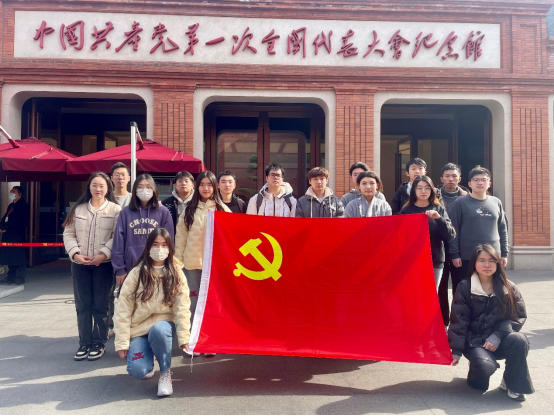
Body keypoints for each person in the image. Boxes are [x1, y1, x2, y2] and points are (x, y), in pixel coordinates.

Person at [449, 244, 534, 401]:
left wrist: (497, 335)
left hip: (499, 340)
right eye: (482, 260)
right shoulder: (465, 287)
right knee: (481, 377)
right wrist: (456, 350)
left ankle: (512, 384)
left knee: (519, 340)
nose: (487, 265)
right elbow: (459, 320)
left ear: (497, 263)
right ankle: (477, 365)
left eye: (491, 260)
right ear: (474, 263)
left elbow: (518, 316)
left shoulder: (508, 287)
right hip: (474, 342)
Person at [115, 228, 191, 397]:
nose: (159, 249)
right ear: (148, 247)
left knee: (159, 331)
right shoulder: (137, 273)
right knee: (138, 370)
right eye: (155, 244)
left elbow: (182, 307)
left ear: (169, 248)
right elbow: (123, 309)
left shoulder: (176, 272)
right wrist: (122, 342)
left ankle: (165, 372)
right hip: (139, 329)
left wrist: (184, 336)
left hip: (163, 326)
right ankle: (149, 356)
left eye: (164, 245)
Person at [62, 172, 121, 361]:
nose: (98, 189)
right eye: (94, 185)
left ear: (108, 188)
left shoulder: (115, 210)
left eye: (102, 186)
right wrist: (75, 254)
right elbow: (68, 234)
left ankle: (99, 342)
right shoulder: (78, 209)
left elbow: (117, 236)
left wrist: (103, 254)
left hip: (103, 265)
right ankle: (84, 343)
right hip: (79, 265)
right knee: (83, 305)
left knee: (101, 305)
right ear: (89, 187)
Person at [174, 171, 231, 357]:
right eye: (202, 185)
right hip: (192, 265)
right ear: (196, 187)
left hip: (215, 266)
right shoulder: (189, 211)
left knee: (212, 304)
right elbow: (180, 240)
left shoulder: (222, 210)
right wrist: (177, 264)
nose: (206, 188)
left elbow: (231, 239)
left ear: (215, 187)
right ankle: (194, 341)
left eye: (209, 185)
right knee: (192, 303)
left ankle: (210, 341)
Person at [112, 174, 174, 289]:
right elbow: (118, 242)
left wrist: (168, 265)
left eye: (148, 187)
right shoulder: (125, 212)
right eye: (140, 187)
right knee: (131, 298)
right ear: (135, 189)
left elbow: (170, 241)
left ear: (154, 189)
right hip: (131, 267)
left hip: (157, 266)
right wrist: (120, 269)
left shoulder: (163, 212)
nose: (144, 190)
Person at [449, 166, 508, 281]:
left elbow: (503, 229)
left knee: (494, 287)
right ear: (469, 184)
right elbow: (453, 229)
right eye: (476, 180)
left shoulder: (496, 202)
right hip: (467, 256)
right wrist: (455, 254)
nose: (480, 182)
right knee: (467, 287)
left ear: (489, 184)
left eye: (483, 180)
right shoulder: (460, 202)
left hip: (493, 255)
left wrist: (504, 253)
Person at [400, 175, 456, 290]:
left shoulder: (438, 209)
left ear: (432, 190)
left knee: (431, 295)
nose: (423, 191)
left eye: (427, 188)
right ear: (414, 190)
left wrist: (439, 219)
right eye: (419, 188)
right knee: (413, 295)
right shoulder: (406, 210)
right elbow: (399, 237)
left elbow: (450, 236)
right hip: (412, 262)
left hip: (435, 261)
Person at [436, 163, 470, 327]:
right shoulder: (433, 195)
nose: (451, 179)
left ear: (459, 178)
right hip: (439, 247)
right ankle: (442, 321)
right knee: (441, 286)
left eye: (454, 176)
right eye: (447, 176)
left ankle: (458, 321)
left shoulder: (467, 197)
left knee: (460, 285)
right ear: (441, 178)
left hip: (461, 248)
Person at [108, 162, 132, 338]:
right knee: (108, 293)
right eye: (117, 174)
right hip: (107, 253)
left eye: (123, 174)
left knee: (128, 292)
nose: (120, 177)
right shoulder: (104, 198)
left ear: (129, 178)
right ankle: (111, 325)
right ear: (111, 178)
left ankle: (129, 325)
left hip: (129, 254)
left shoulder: (134, 199)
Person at [0, 186, 29, 285]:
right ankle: (10, 277)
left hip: (17, 235)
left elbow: (16, 220)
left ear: (20, 194)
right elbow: (5, 217)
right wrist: (2, 226)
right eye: (11, 191)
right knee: (10, 257)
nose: (11, 193)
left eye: (14, 192)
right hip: (9, 235)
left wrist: (6, 227)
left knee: (19, 257)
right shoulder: (11, 205)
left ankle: (20, 277)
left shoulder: (23, 206)